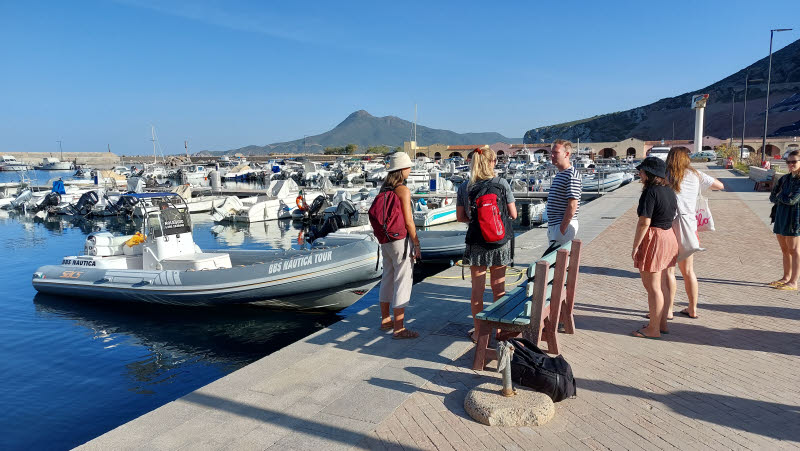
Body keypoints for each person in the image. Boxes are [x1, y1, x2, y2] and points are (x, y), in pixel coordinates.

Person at [456, 147, 517, 342]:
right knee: (499, 289)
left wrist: (478, 220)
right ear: (491, 163)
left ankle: (479, 333)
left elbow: (460, 217)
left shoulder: (465, 187)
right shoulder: (501, 183)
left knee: (477, 292)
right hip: (500, 243)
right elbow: (514, 214)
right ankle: (499, 331)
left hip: (477, 243)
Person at [664, 146, 724, 319]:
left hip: (669, 224)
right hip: (689, 225)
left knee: (669, 271)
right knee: (688, 271)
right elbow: (719, 185)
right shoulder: (696, 175)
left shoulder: (665, 175)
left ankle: (668, 311)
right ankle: (692, 308)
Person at [632, 157, 678, 339]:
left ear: (649, 174)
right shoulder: (669, 191)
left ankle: (653, 329)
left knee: (653, 287)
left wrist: (636, 246)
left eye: (642, 171)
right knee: (663, 284)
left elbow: (644, 222)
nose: (639, 174)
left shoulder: (650, 192)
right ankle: (661, 323)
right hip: (668, 236)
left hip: (655, 237)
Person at [377, 152, 422, 339]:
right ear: (402, 169)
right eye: (409, 167)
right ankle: (400, 328)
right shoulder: (402, 189)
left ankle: (386, 320)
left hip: (385, 240)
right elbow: (409, 221)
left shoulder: (384, 189)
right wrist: (417, 243)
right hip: (400, 240)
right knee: (403, 280)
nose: (410, 170)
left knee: (387, 277)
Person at [769, 149, 800, 291]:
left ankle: (794, 282)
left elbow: (793, 200)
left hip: (794, 218)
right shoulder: (784, 179)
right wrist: (782, 197)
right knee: (784, 249)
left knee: (794, 250)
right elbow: (772, 197)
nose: (790, 164)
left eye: (794, 161)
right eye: (788, 162)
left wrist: (780, 197)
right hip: (780, 216)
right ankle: (786, 277)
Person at [544, 139, 581, 255]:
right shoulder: (561, 173)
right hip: (556, 226)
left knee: (559, 264)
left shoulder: (571, 175)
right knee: (556, 265)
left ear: (567, 154)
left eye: (556, 152)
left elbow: (573, 205)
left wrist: (562, 229)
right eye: (551, 152)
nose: (552, 155)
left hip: (561, 227)